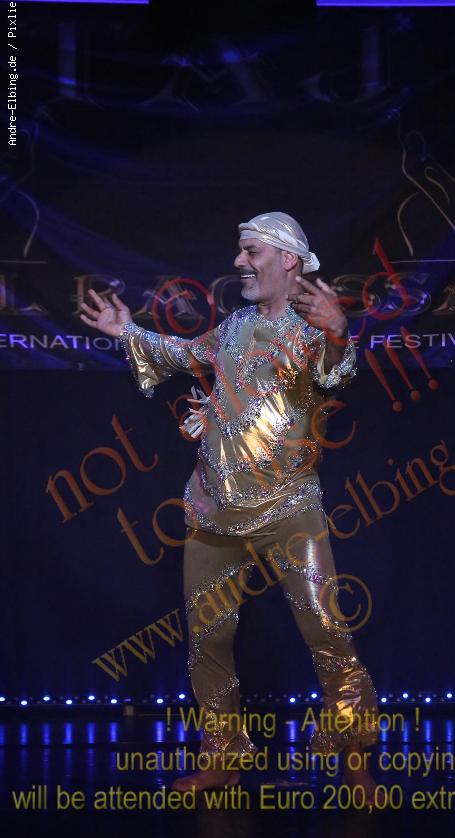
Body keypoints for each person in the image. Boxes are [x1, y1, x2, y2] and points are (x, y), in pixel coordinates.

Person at [80, 211, 380, 802]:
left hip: (289, 509)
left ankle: (352, 758)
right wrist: (127, 332)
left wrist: (339, 333)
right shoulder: (236, 325)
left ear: (287, 260)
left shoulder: (313, 329)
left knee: (327, 632)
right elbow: (182, 354)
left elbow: (335, 373)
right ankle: (223, 757)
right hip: (213, 510)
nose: (239, 262)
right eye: (240, 251)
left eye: (250, 252)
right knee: (208, 640)